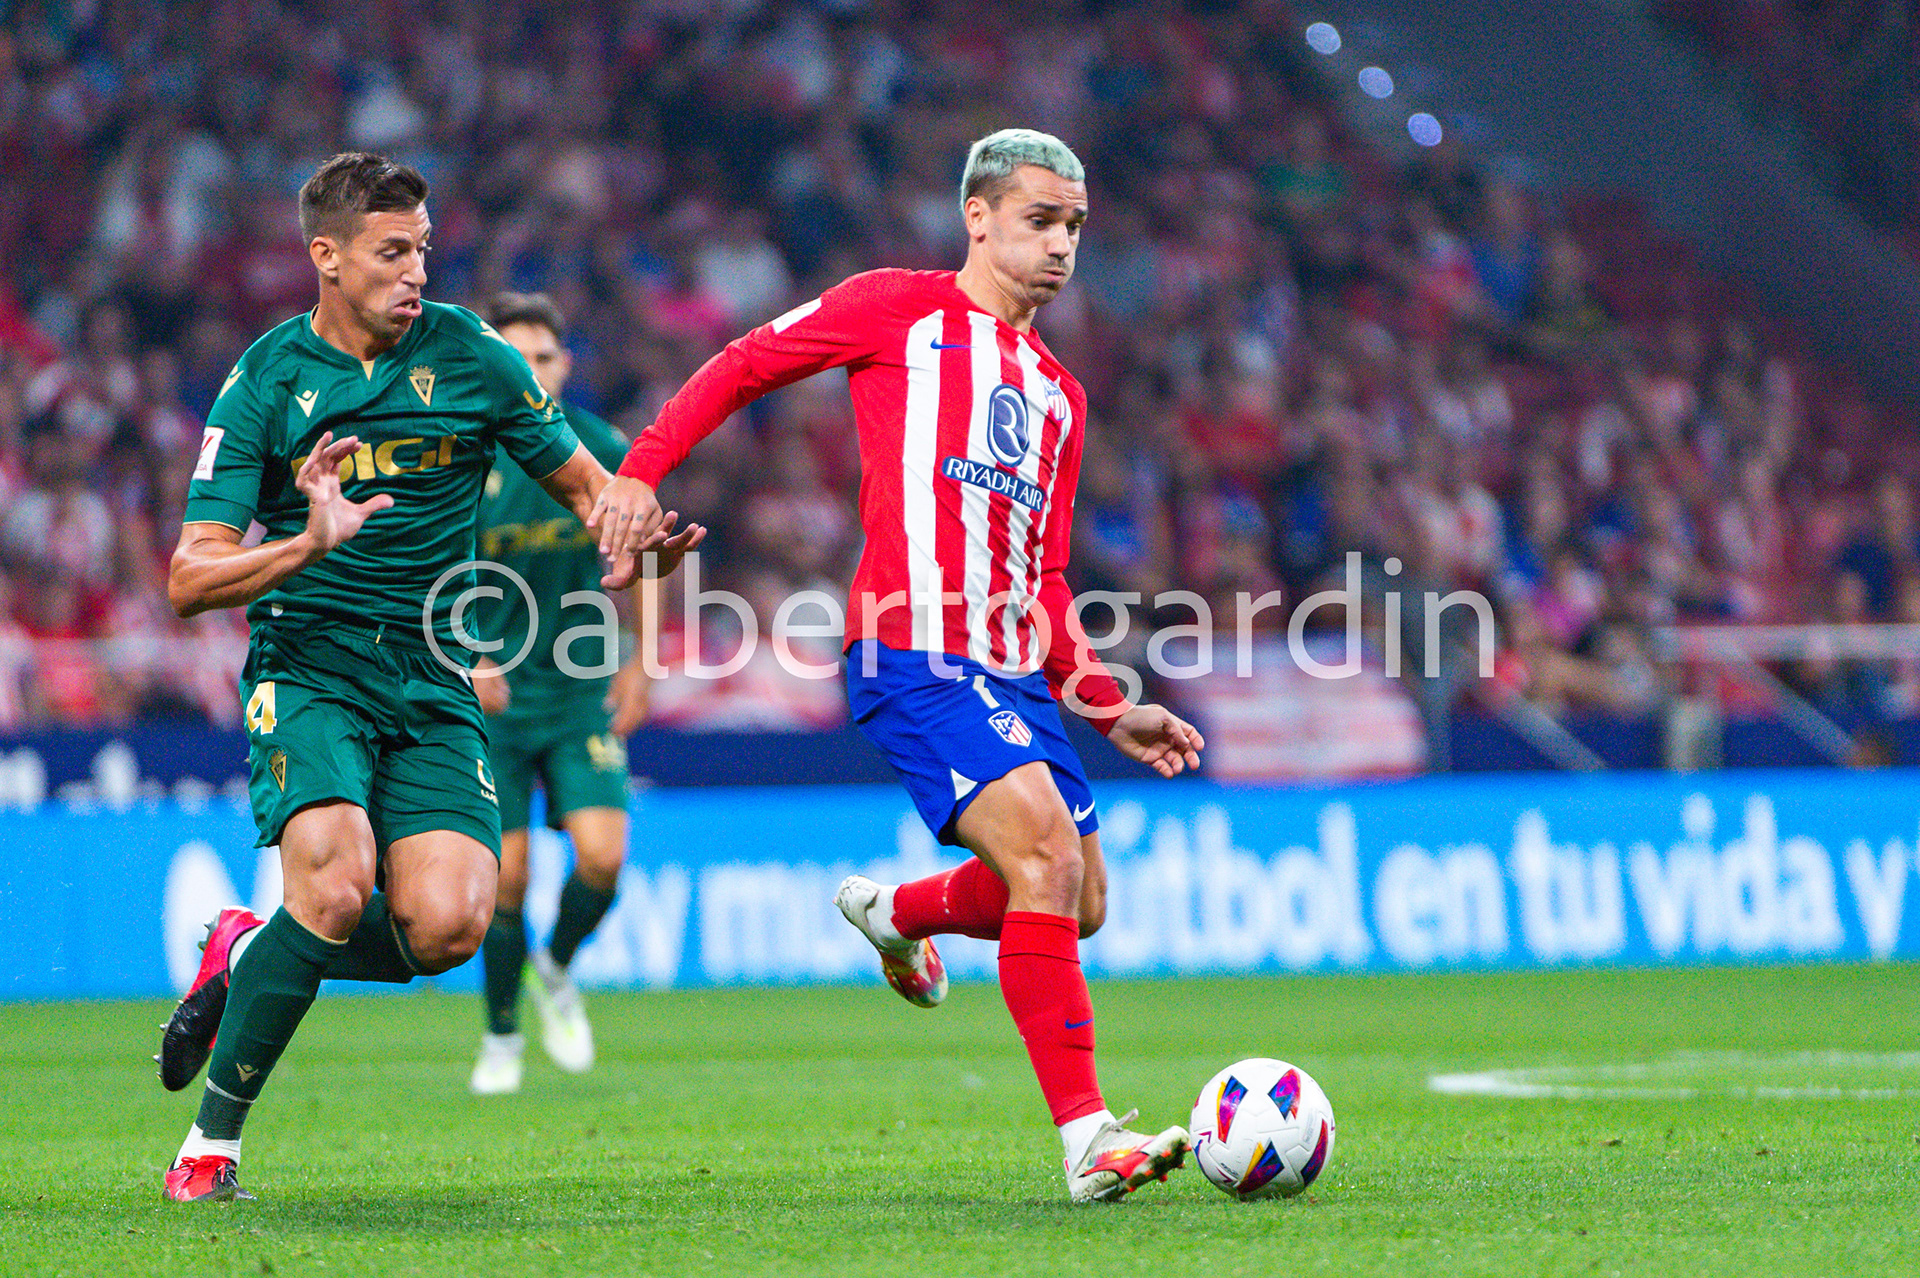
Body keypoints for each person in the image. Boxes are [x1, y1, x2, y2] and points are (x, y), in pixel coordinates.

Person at [588, 128, 1207, 1204]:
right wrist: (640, 471)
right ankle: (1088, 1141)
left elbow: (1046, 578)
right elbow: (745, 364)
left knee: (1081, 899)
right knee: (1047, 859)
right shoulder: (896, 309)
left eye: (1074, 226)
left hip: (1013, 670)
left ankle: (900, 913)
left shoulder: (1060, 398)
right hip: (912, 647)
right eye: (1040, 221)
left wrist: (1111, 709)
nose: (1062, 245)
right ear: (979, 217)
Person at [154, 153, 700, 1203]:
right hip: (310, 664)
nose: (416, 272)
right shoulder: (267, 379)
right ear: (327, 257)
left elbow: (588, 490)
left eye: (424, 250)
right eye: (392, 252)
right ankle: (210, 1147)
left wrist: (636, 537)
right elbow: (190, 577)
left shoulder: (473, 356)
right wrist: (306, 544)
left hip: (435, 673)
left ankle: (246, 951)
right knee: (333, 882)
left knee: (449, 924)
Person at [466, 291, 650, 1094]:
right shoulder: (466, 457)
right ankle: (502, 1035)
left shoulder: (598, 447)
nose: (531, 371)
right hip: (496, 701)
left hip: (579, 692)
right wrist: (469, 654)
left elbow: (648, 551)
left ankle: (558, 966)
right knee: (505, 880)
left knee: (603, 859)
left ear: (564, 365)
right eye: (516, 358)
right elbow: (429, 565)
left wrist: (641, 662)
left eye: (543, 357)